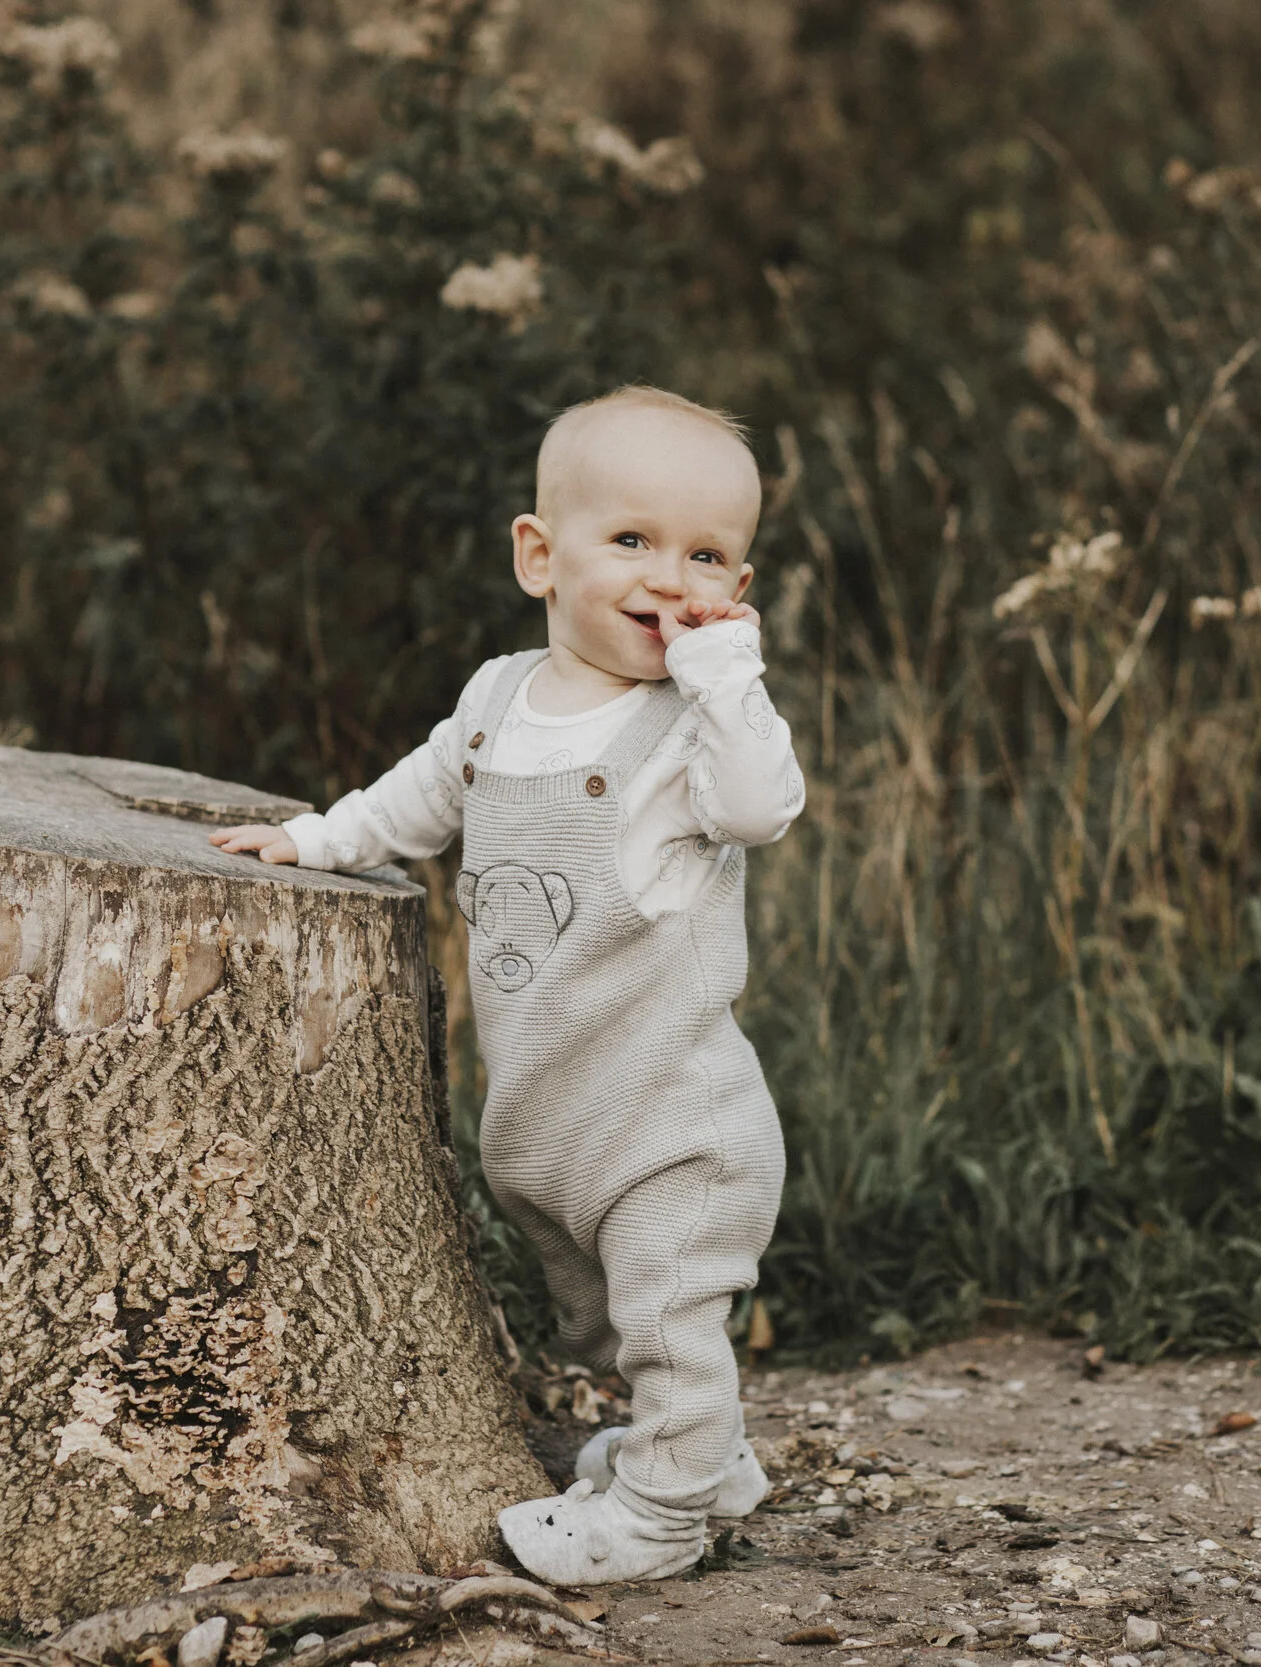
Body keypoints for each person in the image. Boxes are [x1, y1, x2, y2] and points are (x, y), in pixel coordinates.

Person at [209, 385, 805, 1583]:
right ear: (540, 554)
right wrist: (324, 838)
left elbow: (761, 807)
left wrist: (728, 676)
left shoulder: (693, 734)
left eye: (706, 555)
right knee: (601, 1323)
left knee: (668, 1323)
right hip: (552, 1112)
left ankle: (663, 1515)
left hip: (671, 1118)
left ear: (734, 593)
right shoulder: (496, 698)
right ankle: (706, 1454)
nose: (664, 575)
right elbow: (421, 796)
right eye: (630, 540)